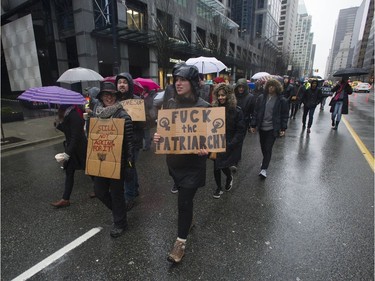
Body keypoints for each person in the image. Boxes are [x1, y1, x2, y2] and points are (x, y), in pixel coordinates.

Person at [153, 64, 210, 263]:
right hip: (174, 163)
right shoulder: (170, 104)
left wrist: (207, 148)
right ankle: (189, 221)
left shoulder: (204, 107)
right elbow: (165, 130)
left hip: (193, 166)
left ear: (193, 83)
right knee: (186, 202)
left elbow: (212, 138)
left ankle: (180, 243)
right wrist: (159, 137)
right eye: (176, 79)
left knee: (183, 202)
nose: (178, 83)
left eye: (183, 79)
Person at [91, 82, 134, 237]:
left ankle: (120, 223)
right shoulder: (95, 114)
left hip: (118, 161)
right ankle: (120, 210)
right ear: (101, 97)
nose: (108, 97)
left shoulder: (122, 115)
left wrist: (129, 163)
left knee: (116, 193)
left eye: (111, 94)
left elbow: (130, 142)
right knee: (100, 192)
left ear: (115, 96)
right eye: (105, 94)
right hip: (101, 160)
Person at [211, 83, 246, 198]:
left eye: (223, 95)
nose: (220, 97)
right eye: (219, 95)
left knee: (224, 165)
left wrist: (231, 144)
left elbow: (240, 131)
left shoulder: (237, 111)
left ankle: (229, 176)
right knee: (216, 165)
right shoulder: (214, 109)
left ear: (229, 96)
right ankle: (218, 188)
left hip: (229, 143)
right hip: (216, 142)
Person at [116, 72, 144, 211]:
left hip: (133, 141)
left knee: (129, 168)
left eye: (124, 82)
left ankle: (129, 197)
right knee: (131, 167)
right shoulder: (115, 101)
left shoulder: (136, 101)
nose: (121, 84)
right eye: (119, 82)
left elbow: (143, 125)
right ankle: (135, 188)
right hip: (119, 141)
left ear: (129, 85)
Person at [250, 79, 289, 179]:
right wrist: (253, 125)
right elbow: (256, 112)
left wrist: (283, 128)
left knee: (268, 148)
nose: (271, 88)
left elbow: (285, 115)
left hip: (273, 128)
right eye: (269, 86)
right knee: (263, 147)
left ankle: (264, 169)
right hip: (262, 127)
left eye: (273, 86)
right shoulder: (261, 98)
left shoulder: (282, 100)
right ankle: (265, 160)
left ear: (277, 87)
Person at [51, 104, 87, 208]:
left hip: (80, 149)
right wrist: (58, 124)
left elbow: (75, 136)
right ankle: (65, 199)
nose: (58, 105)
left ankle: (100, 190)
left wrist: (67, 154)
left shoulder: (74, 115)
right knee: (69, 172)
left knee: (89, 170)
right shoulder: (67, 114)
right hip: (72, 148)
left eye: (59, 103)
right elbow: (68, 131)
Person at [234, 78, 255, 170]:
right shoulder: (233, 96)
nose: (241, 89)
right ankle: (233, 158)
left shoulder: (250, 97)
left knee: (239, 142)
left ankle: (236, 160)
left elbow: (253, 111)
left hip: (243, 123)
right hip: (233, 122)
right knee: (232, 140)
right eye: (239, 87)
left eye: (243, 87)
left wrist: (252, 125)